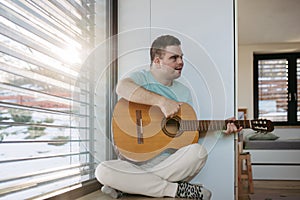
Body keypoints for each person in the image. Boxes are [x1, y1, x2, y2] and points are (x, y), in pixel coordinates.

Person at [95, 35, 242, 199]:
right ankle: (175, 190)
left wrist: (221, 128)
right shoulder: (141, 78)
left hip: (166, 164)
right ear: (157, 61)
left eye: (181, 57)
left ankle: (130, 186)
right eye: (174, 57)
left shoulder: (184, 92)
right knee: (102, 170)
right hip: (133, 163)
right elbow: (122, 88)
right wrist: (162, 102)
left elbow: (188, 131)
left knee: (198, 152)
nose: (181, 62)